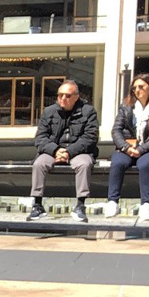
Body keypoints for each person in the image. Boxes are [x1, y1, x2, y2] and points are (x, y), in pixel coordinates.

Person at [28, 80, 99, 223]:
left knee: (84, 165)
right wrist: (55, 150)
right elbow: (40, 138)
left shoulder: (88, 111)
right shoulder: (49, 112)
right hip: (53, 151)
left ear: (76, 97)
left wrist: (68, 152)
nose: (63, 99)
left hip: (79, 151)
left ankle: (80, 205)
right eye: (60, 95)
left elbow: (90, 137)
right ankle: (37, 204)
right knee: (39, 164)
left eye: (67, 95)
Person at [103, 72, 149, 221]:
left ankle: (145, 204)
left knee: (146, 164)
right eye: (134, 88)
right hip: (128, 147)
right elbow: (116, 130)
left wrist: (141, 149)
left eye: (141, 87)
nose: (137, 90)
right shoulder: (126, 106)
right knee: (118, 162)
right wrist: (126, 147)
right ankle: (113, 201)